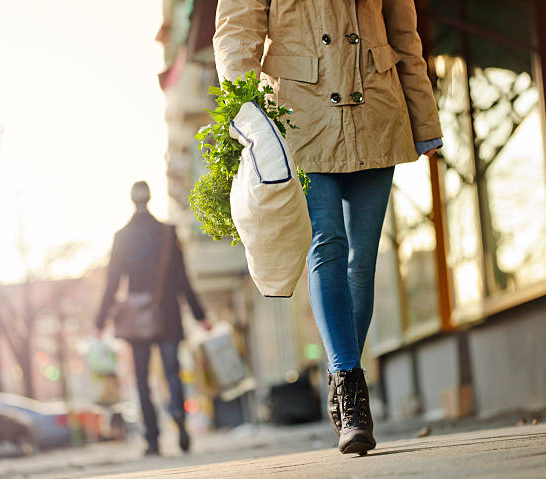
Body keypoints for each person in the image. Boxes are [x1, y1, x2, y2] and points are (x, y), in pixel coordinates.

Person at [213, 0, 442, 455]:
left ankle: (343, 382)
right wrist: (246, 116)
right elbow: (236, 33)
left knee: (363, 259)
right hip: (301, 119)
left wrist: (424, 115)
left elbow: (404, 35)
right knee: (328, 245)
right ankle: (352, 396)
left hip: (378, 108)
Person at [94, 181, 211, 455]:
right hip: (168, 313)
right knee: (172, 374)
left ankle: (153, 439)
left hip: (136, 318)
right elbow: (183, 279)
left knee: (142, 380)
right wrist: (200, 315)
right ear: (150, 198)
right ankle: (179, 419)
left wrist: (99, 322)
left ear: (132, 200)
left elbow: (112, 281)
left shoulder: (122, 236)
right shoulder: (167, 233)